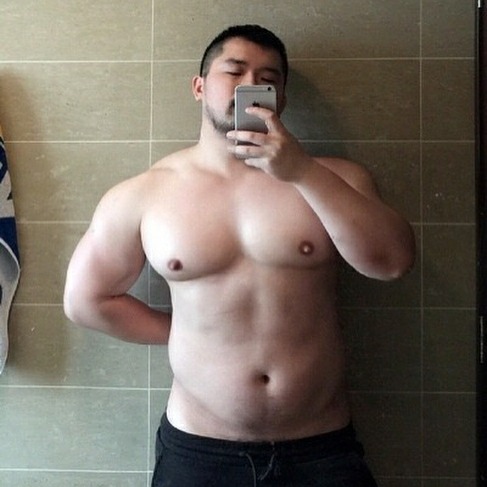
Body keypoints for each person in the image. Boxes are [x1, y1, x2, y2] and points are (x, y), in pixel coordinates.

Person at [64, 24, 415, 487]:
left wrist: (301, 171)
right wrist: (186, 332)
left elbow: (392, 262)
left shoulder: (335, 179)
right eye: (234, 71)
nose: (250, 84)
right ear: (199, 86)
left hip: (320, 447)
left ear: (281, 99)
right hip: (200, 449)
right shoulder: (145, 194)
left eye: (267, 78)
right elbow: (85, 301)